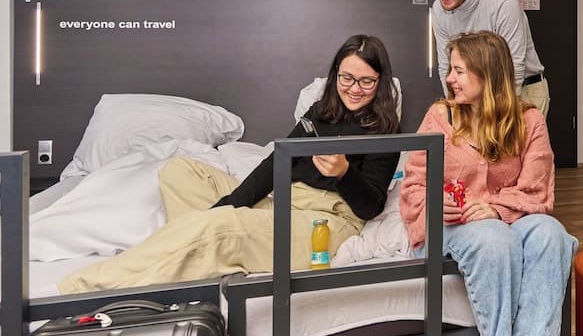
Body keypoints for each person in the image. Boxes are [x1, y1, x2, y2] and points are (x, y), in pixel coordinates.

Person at [59, 34, 401, 293]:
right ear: (335, 74)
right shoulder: (319, 113)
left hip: (327, 222)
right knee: (180, 171)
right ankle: (208, 252)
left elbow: (370, 207)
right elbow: (275, 164)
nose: (354, 89)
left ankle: (82, 288)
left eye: (366, 81)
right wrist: (228, 205)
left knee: (219, 228)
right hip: (284, 201)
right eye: (346, 78)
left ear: (380, 82)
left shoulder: (385, 130)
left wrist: (344, 173)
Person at [399, 31, 576, 336]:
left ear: (488, 74)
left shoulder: (529, 121)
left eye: (459, 71)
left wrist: (494, 207)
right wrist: (436, 202)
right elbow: (413, 183)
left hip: (503, 218)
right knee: (494, 238)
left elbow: (538, 189)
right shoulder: (441, 117)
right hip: (451, 226)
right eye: (451, 70)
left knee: (551, 234)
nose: (450, 79)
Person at [426, 0, 550, 117]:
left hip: (521, 90)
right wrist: (455, 108)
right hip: (475, 92)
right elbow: (446, 65)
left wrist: (501, 116)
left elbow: (514, 67)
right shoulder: (439, 10)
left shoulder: (502, 4)